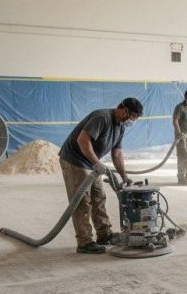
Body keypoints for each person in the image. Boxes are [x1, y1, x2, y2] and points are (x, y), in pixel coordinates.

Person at [58, 97, 143, 254]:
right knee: (82, 202)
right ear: (125, 110)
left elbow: (117, 153)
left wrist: (124, 177)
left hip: (91, 162)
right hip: (74, 160)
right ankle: (84, 242)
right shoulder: (102, 117)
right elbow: (82, 140)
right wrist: (96, 162)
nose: (133, 121)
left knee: (99, 197)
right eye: (133, 117)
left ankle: (104, 235)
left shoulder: (120, 127)